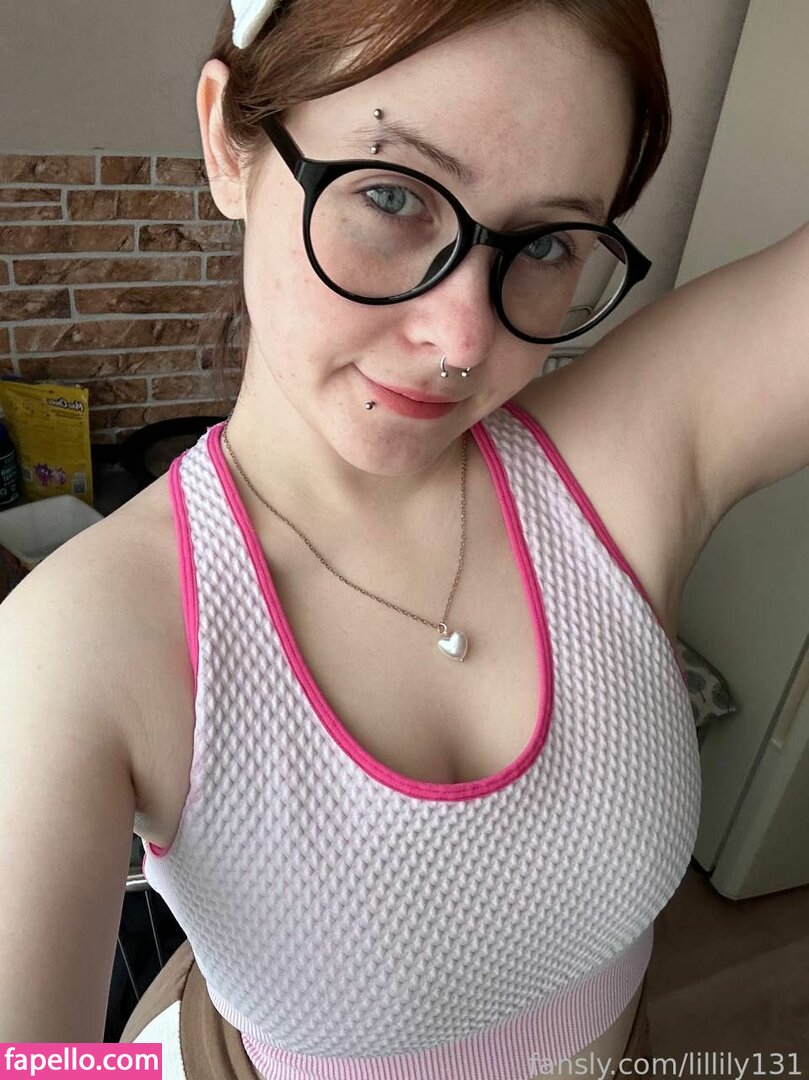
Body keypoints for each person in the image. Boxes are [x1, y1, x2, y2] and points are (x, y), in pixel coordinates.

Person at [1, 0, 807, 1077]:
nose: (460, 338)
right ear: (228, 143)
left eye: (546, 243)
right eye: (390, 195)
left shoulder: (622, 461)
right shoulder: (77, 642)